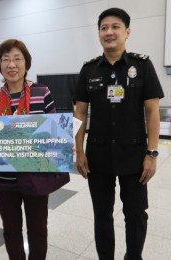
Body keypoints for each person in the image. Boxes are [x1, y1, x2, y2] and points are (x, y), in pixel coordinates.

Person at [74, 8, 164, 260]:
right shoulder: (89, 70)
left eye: (115, 27)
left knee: (135, 214)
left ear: (127, 32)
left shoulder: (142, 66)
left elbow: (152, 112)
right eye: (104, 28)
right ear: (99, 34)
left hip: (134, 156)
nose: (109, 32)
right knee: (102, 215)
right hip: (97, 156)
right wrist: (79, 151)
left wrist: (152, 153)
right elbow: (79, 113)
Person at [0, 39, 69, 260]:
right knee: (11, 229)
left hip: (37, 175)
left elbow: (54, 131)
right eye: (6, 59)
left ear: (26, 64)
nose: (12, 64)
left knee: (38, 228)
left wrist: (64, 147)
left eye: (17, 59)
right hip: (3, 177)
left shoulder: (42, 92)